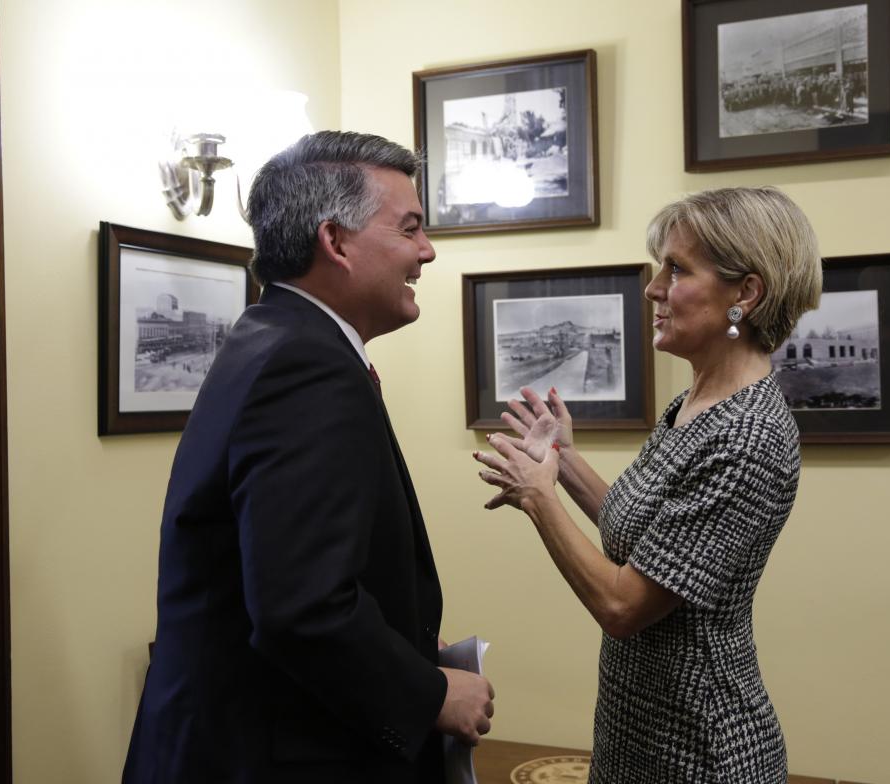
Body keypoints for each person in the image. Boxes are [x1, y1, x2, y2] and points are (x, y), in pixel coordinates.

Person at [123, 130, 494, 784]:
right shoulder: (305, 366)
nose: (427, 252)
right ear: (336, 241)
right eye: (410, 229)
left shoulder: (275, 338)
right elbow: (303, 607)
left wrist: (405, 641)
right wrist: (430, 693)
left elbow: (291, 562)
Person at [474, 187, 821, 783]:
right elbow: (645, 534)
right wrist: (564, 458)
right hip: (641, 732)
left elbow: (623, 605)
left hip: (700, 749)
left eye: (677, 269)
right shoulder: (697, 401)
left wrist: (540, 496)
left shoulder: (748, 435)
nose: (654, 288)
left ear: (746, 292)